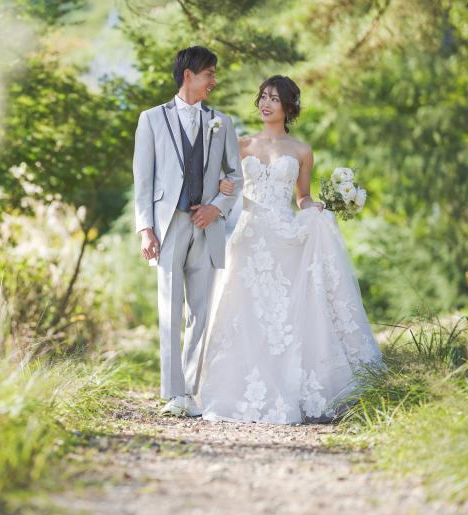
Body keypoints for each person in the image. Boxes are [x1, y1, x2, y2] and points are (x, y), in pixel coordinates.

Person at [198, 75, 384, 424]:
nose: (265, 103)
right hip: (249, 237)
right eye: (263, 96)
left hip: (285, 237)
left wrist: (317, 208)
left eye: (274, 99)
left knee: (283, 314)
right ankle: (241, 389)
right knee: (245, 311)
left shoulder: (302, 151)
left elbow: (302, 197)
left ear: (288, 106)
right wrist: (222, 186)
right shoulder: (240, 144)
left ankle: (290, 387)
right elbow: (223, 185)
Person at [133, 46, 244, 416]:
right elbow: (142, 179)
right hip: (169, 224)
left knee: (200, 310)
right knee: (170, 308)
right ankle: (172, 393)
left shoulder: (221, 122)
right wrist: (145, 229)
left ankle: (192, 394)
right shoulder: (151, 119)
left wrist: (217, 207)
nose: (214, 81)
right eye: (209, 74)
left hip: (208, 225)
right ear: (188, 76)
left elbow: (236, 176)